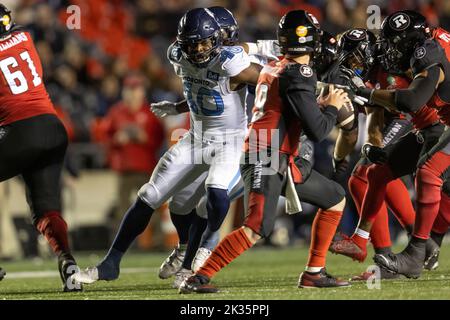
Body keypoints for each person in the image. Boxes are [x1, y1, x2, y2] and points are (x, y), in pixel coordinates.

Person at [70, 7, 261, 285]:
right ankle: (111, 263)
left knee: (215, 193)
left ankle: (203, 247)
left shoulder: (230, 61)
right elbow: (202, 92)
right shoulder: (177, 55)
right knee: (155, 196)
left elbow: (268, 83)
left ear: (217, 39)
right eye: (192, 43)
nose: (197, 49)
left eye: (204, 42)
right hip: (197, 137)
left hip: (231, 140)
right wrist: (178, 106)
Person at [179, 10, 350, 294]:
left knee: (335, 198)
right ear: (312, 41)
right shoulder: (298, 74)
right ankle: (198, 277)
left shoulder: (277, 66)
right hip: (266, 156)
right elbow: (319, 131)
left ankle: (314, 272)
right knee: (257, 227)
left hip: (276, 155)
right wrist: (332, 106)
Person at [335, 10, 450, 279]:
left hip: (432, 123)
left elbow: (411, 102)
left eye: (393, 43)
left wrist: (363, 91)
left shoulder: (427, 52)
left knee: (429, 174)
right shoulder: (425, 45)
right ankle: (376, 244)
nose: (389, 50)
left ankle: (418, 249)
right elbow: (377, 118)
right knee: (377, 172)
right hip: (437, 122)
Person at [0, 4, 81, 291]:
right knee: (46, 208)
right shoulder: (25, 37)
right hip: (52, 126)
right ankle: (68, 261)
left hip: (20, 131)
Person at [100, 73, 165, 230]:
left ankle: (156, 242)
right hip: (124, 168)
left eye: (137, 89)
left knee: (151, 205)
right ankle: (123, 244)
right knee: (123, 208)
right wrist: (116, 139)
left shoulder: (151, 113)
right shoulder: (116, 112)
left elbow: (160, 140)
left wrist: (145, 139)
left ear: (142, 91)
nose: (133, 92)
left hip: (146, 167)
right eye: (130, 89)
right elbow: (104, 137)